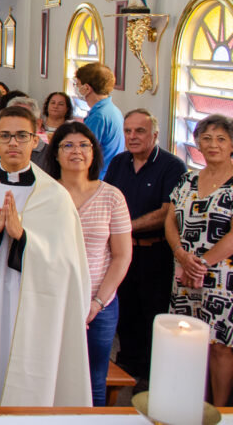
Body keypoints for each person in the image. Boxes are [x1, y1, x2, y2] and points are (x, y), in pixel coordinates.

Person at [0, 106, 91, 406]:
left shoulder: (55, 196)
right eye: (5, 136)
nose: (13, 143)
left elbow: (68, 265)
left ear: (35, 138)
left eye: (21, 136)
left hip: (35, 304)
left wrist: (23, 237)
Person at [46, 121, 132, 406]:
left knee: (93, 379)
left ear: (94, 152)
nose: (76, 151)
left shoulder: (111, 196)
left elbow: (121, 256)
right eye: (67, 145)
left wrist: (96, 302)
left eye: (84, 145)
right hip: (54, 299)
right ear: (55, 154)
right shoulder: (44, 195)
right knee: (50, 374)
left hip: (100, 304)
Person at [104, 108, 186, 382]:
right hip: (122, 253)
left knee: (152, 315)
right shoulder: (118, 163)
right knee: (124, 313)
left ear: (155, 134)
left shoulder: (172, 166)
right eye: (128, 131)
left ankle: (150, 379)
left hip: (154, 253)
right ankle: (125, 370)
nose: (132, 137)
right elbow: (107, 199)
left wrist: (124, 227)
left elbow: (166, 212)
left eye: (140, 131)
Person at [165, 114, 233, 407]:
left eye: (221, 139)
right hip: (184, 271)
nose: (213, 145)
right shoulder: (188, 178)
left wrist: (202, 264)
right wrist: (181, 254)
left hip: (222, 277)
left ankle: (220, 409)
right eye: (206, 138)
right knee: (188, 342)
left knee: (219, 346)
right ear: (197, 144)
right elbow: (170, 220)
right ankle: (191, 403)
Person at [74, 63, 124, 177]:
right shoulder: (112, 109)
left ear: (86, 88)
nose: (77, 88)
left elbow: (84, 150)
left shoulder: (99, 116)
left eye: (78, 85)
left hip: (98, 176)